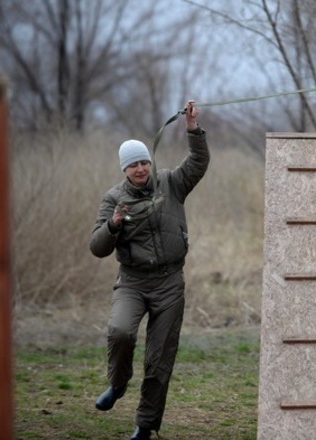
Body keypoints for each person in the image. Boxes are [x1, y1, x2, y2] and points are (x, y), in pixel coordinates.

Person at [89, 100, 209, 440]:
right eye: (133, 165)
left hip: (170, 284)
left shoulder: (171, 183)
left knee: (159, 359)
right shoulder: (113, 199)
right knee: (120, 332)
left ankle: (144, 426)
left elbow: (198, 163)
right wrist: (113, 225)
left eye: (144, 162)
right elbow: (97, 247)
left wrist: (192, 129)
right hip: (133, 282)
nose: (141, 168)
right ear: (124, 169)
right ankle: (117, 384)